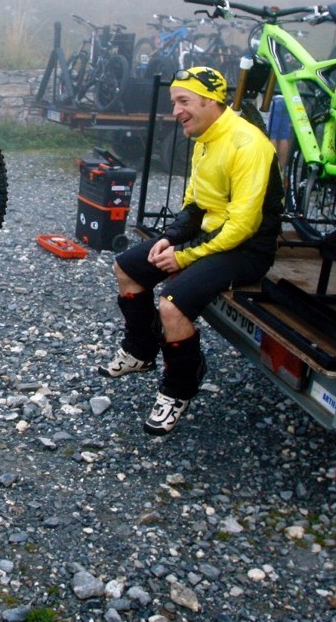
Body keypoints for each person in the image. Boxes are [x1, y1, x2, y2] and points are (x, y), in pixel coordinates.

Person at [102, 67, 282, 436]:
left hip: (248, 248)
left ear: (211, 100)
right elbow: (194, 205)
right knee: (127, 267)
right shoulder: (203, 136)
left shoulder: (249, 144)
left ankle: (179, 387)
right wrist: (171, 237)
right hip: (214, 235)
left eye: (183, 101)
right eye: (174, 102)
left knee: (172, 304)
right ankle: (140, 350)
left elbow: (244, 226)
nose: (176, 111)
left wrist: (184, 257)